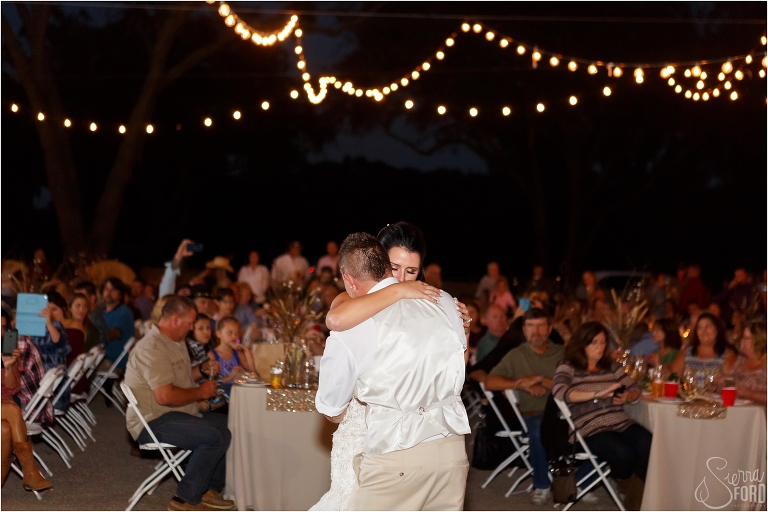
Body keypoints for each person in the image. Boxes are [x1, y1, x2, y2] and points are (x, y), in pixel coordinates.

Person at [313, 223, 469, 511]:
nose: (401, 278)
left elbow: (331, 408)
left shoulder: (357, 323)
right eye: (395, 268)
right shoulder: (444, 302)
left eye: (411, 271)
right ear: (381, 261)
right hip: (450, 450)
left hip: (395, 452)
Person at [124, 296, 233, 511]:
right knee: (213, 436)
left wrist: (200, 370)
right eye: (190, 323)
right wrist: (201, 392)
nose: (191, 328)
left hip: (174, 412)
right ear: (175, 319)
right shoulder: (152, 348)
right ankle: (184, 499)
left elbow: (179, 379)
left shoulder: (175, 340)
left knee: (228, 425)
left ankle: (207, 489)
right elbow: (165, 396)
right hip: (152, 421)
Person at [552, 321, 652, 510]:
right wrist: (597, 394)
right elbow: (559, 392)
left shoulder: (611, 366)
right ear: (582, 344)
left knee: (648, 443)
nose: (600, 347)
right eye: (594, 343)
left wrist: (627, 396)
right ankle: (625, 484)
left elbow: (634, 388)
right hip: (589, 426)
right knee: (625, 455)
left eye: (603, 342)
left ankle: (636, 502)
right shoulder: (568, 366)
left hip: (619, 421)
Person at [484, 308, 565, 506]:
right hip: (535, 414)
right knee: (538, 431)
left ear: (550, 329)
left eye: (540, 325)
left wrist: (540, 379)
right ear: (523, 329)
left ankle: (579, 482)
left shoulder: (562, 352)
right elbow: (490, 382)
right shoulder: (516, 355)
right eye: (530, 326)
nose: (536, 331)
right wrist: (519, 384)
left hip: (567, 412)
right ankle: (542, 485)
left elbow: (572, 385)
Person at [2, 343, 52, 492]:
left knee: (4, 429)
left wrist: (8, 367)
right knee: (12, 409)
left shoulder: (6, 349)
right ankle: (30, 472)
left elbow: (11, 389)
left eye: (2, 330)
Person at [670, 312, 737, 377]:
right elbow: (671, 375)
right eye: (699, 327)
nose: (704, 331)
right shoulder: (687, 353)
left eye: (708, 327)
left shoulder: (727, 355)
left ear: (717, 329)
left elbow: (731, 380)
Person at [99, 278, 134, 398]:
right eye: (106, 289)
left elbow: (114, 334)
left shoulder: (124, 312)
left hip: (114, 358)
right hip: (103, 355)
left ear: (120, 294)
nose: (108, 292)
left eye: (113, 290)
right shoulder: (101, 311)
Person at [207, 317, 254, 396]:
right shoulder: (212, 355)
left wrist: (245, 349)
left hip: (238, 394)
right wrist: (230, 377)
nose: (234, 336)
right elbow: (212, 383)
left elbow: (252, 371)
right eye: (229, 333)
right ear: (218, 334)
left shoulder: (237, 353)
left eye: (236, 333)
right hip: (221, 396)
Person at [726, 320, 766, 406]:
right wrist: (723, 383)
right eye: (742, 337)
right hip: (740, 411)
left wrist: (750, 394)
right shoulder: (740, 361)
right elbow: (731, 385)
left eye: (746, 338)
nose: (742, 341)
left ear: (759, 341)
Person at [73, 281, 108, 346]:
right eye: (76, 297)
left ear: (92, 298)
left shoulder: (96, 319)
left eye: (82, 297)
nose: (77, 301)